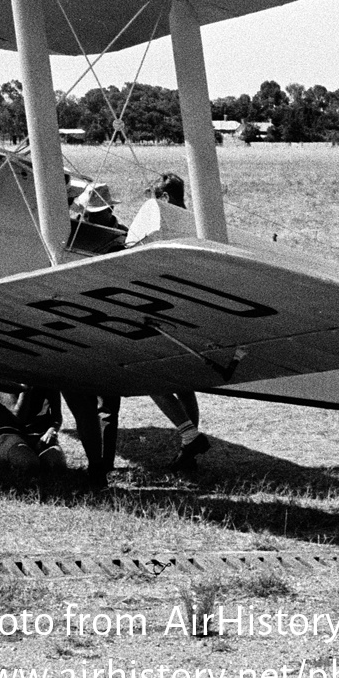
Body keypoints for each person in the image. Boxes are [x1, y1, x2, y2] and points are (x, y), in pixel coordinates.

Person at [145, 171, 212, 470]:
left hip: (165, 312)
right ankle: (189, 446)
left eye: (153, 199)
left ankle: (189, 435)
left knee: (149, 378)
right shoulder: (195, 222)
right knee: (184, 384)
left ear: (165, 198)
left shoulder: (164, 222)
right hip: (190, 312)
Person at [0, 387, 66, 477]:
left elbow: (57, 416)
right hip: (11, 434)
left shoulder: (49, 380)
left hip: (40, 437)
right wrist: (26, 388)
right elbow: (18, 417)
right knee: (29, 464)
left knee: (57, 466)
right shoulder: (8, 380)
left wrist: (52, 431)